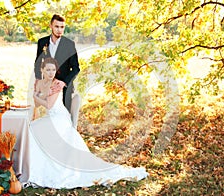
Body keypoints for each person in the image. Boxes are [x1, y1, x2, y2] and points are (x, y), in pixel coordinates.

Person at [23, 57, 148, 189]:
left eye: (53, 70)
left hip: (59, 117)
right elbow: (37, 104)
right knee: (32, 128)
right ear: (42, 70)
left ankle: (41, 169)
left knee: (35, 130)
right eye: (48, 70)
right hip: (50, 118)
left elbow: (49, 105)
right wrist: (36, 95)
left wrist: (36, 96)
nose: (50, 73)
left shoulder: (57, 84)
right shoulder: (39, 83)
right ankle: (34, 167)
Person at [34, 13, 80, 113]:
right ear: (51, 26)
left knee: (64, 116)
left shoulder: (69, 44)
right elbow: (38, 63)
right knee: (45, 113)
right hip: (47, 85)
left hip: (64, 88)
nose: (59, 30)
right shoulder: (42, 42)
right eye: (57, 26)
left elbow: (76, 68)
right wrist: (38, 79)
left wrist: (64, 83)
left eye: (62, 27)